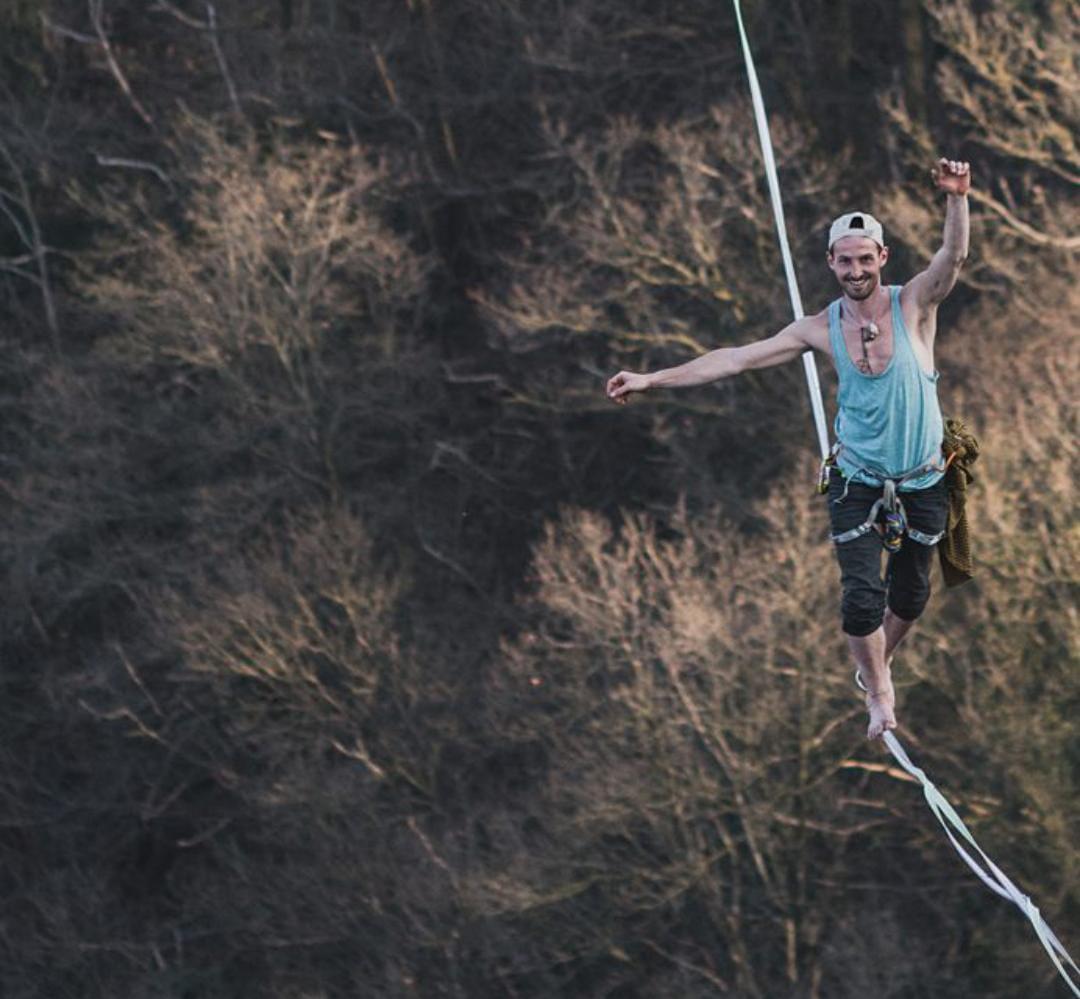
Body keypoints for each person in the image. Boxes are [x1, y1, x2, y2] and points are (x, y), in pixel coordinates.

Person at [606, 158, 972, 740]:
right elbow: (735, 358)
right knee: (859, 599)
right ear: (831, 263)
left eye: (864, 259)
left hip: (924, 476)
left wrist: (956, 199)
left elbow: (951, 260)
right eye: (844, 261)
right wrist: (653, 379)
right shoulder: (817, 328)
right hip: (858, 478)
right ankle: (879, 692)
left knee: (911, 594)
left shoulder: (913, 305)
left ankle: (877, 660)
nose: (855, 270)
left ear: (882, 258)